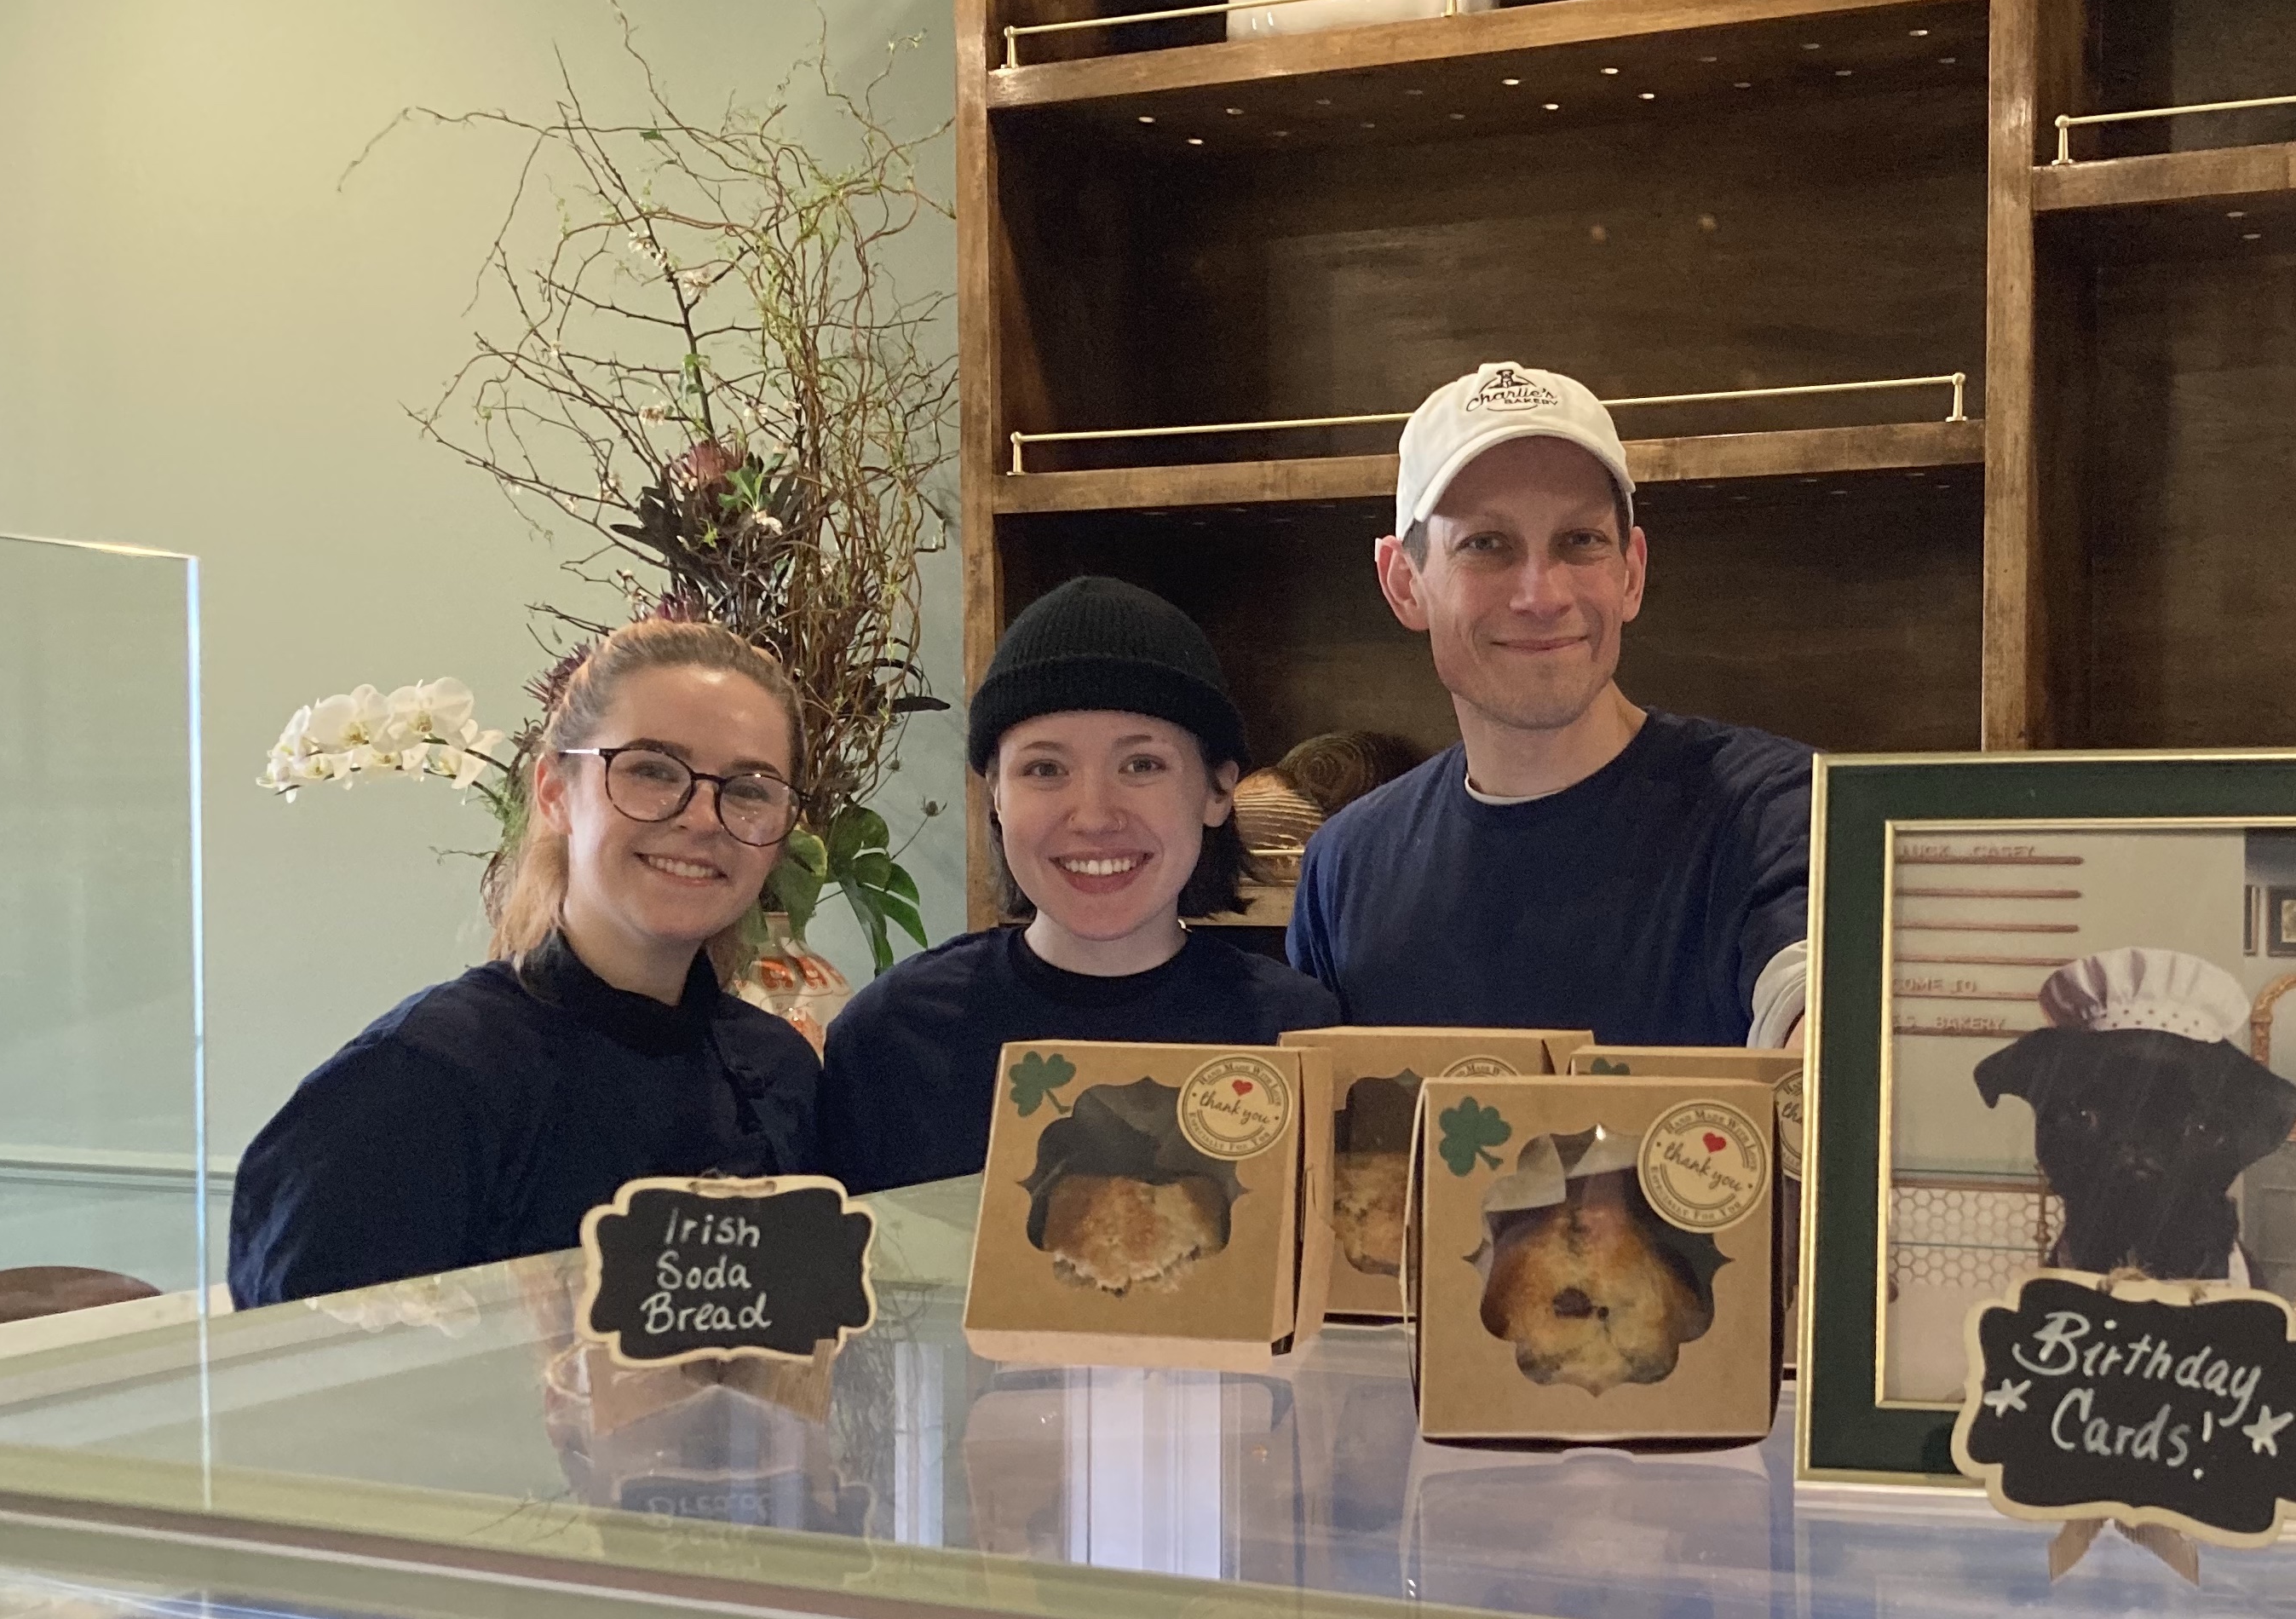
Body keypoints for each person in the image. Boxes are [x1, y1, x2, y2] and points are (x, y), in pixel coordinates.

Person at [227, 619, 823, 1307]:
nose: (702, 816)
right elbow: (312, 1391)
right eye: (652, 771)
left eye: (749, 788)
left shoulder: (779, 1069)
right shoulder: (413, 1088)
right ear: (554, 792)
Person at [1289, 360, 1811, 1047]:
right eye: (1486, 544)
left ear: (1631, 572)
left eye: (1580, 542)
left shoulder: (1777, 810)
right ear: (1404, 583)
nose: (1542, 596)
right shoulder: (1346, 866)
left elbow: (1821, 1006)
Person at [819, 575, 1338, 1190]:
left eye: (1141, 765)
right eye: (1045, 768)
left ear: (1219, 790)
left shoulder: (1298, 1034)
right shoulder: (892, 1036)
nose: (1093, 815)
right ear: (995, 797)